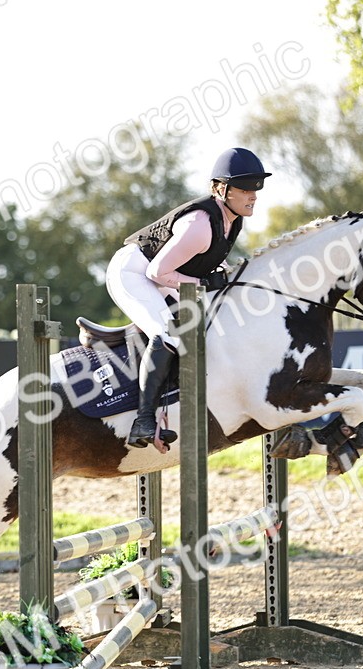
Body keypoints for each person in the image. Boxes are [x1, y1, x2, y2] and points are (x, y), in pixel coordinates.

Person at [106, 147, 270, 449]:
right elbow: (157, 272)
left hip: (161, 273)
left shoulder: (232, 219)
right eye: (245, 188)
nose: (254, 195)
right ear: (221, 188)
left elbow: (196, 266)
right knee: (167, 333)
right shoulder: (201, 225)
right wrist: (206, 281)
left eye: (256, 188)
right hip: (133, 272)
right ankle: (144, 420)